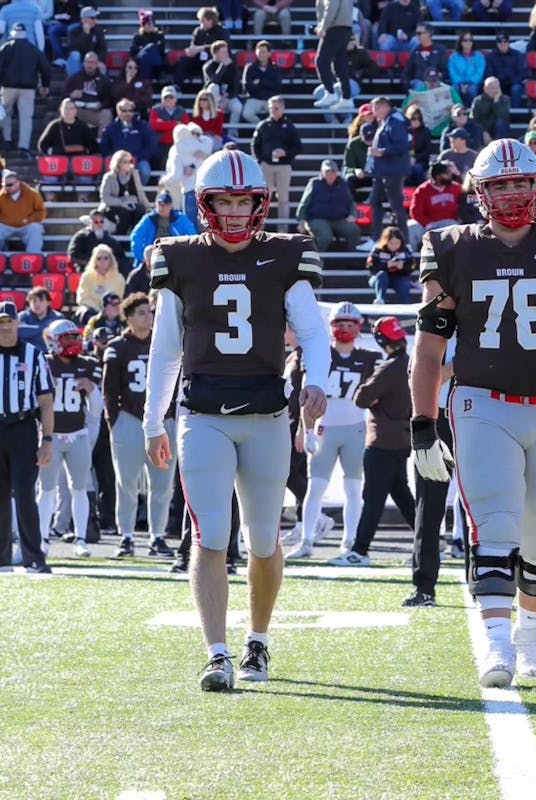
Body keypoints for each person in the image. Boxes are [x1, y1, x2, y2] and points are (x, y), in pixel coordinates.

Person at [409, 137, 536, 688]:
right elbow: (428, 349)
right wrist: (422, 426)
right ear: (480, 192)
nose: (512, 193)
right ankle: (497, 646)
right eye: (499, 185)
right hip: (481, 403)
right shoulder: (452, 247)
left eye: (521, 182)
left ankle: (530, 632)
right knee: (495, 522)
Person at [143, 148, 330, 692]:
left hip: (268, 413)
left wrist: (314, 380)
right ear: (203, 205)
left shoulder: (285, 256)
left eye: (242, 200)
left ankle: (258, 641)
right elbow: (166, 351)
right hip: (202, 415)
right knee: (210, 535)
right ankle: (216, 652)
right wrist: (155, 420)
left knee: (265, 539)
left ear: (260, 203)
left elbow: (314, 334)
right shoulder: (181, 258)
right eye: (221, 200)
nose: (232, 211)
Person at [286, 302, 379, 559]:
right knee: (315, 488)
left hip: (355, 429)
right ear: (332, 327)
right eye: (341, 324)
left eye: (350, 325)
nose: (345, 329)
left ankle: (349, 541)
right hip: (325, 427)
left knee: (353, 489)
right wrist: (306, 430)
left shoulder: (368, 357)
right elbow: (307, 394)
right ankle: (306, 540)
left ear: (359, 328)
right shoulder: (322, 354)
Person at [330, 316, 415, 567]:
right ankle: (428, 544)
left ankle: (359, 550)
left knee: (373, 498)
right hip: (402, 439)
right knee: (403, 497)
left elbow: (361, 398)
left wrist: (371, 394)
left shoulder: (389, 368)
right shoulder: (409, 364)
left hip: (382, 442)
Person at [103, 292, 175, 558]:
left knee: (162, 483)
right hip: (130, 420)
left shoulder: (165, 343)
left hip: (164, 420)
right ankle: (127, 536)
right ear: (129, 318)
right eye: (142, 312)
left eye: (150, 311)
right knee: (127, 483)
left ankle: (157, 536)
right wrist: (115, 421)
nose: (149, 316)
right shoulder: (117, 346)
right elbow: (109, 390)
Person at [36, 318, 102, 558]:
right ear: (54, 342)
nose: (73, 342)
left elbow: (96, 409)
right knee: (46, 489)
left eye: (76, 337)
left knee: (79, 488)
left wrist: (92, 388)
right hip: (50, 437)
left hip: (78, 435)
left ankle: (81, 539)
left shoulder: (87, 364)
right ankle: (42, 538)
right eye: (68, 338)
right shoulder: (44, 365)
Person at [0, 300, 54, 573]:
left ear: (17, 324)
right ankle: (2, 558)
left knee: (24, 494)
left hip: (22, 429)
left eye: (9, 322)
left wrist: (47, 440)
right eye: (1, 323)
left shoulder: (33, 355)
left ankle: (34, 556)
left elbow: (45, 401)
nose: (5, 328)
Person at [0, 23, 51, 157]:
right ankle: (24, 147)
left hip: (8, 87)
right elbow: (45, 69)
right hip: (28, 89)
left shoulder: (5, 48)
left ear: (12, 33)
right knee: (26, 118)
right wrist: (45, 85)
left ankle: (7, 140)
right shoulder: (33, 49)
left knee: (6, 114)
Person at [251, 96, 301, 230]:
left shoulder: (289, 126)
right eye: (271, 108)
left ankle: (283, 230)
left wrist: (286, 153)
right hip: (266, 166)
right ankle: (259, 227)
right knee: (264, 198)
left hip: (284, 166)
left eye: (276, 107)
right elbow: (255, 145)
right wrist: (260, 161)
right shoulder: (263, 125)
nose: (273, 110)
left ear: (283, 108)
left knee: (283, 199)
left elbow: (298, 147)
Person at [367, 96, 411, 243]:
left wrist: (382, 151)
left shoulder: (395, 122)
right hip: (383, 171)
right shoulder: (386, 121)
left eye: (376, 109)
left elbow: (402, 145)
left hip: (393, 171)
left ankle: (405, 241)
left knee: (396, 206)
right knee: (375, 202)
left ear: (384, 107)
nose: (374, 113)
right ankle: (375, 238)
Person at [297, 159, 363, 252]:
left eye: (333, 171)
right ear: (322, 172)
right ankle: (316, 259)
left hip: (338, 219)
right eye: (327, 171)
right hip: (317, 219)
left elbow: (351, 203)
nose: (330, 174)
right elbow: (304, 203)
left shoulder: (343, 184)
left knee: (354, 230)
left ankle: (352, 260)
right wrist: (301, 220)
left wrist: (353, 215)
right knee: (325, 235)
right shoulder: (314, 183)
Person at [162, 122, 212, 225]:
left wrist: (162, 181)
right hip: (188, 189)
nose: (196, 136)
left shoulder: (204, 151)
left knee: (194, 224)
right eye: (193, 133)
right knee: (192, 223)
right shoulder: (178, 151)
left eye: (198, 134)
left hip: (196, 189)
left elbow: (176, 175)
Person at [130, 191, 198, 267]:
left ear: (171, 205)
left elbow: (193, 238)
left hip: (175, 258)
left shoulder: (181, 219)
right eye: (159, 204)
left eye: (165, 204)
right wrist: (143, 258)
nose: (162, 206)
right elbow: (135, 237)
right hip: (153, 258)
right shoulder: (148, 219)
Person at [407, 160, 462, 250]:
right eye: (446, 174)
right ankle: (411, 257)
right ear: (437, 177)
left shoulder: (456, 187)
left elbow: (466, 202)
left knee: (458, 229)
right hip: (429, 224)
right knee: (411, 227)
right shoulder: (422, 190)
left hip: (450, 223)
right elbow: (415, 212)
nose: (450, 176)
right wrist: (427, 223)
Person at [99, 99, 157, 184]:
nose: (127, 113)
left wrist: (137, 157)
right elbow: (104, 146)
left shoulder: (143, 126)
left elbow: (151, 145)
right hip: (117, 161)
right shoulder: (110, 128)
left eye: (130, 110)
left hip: (138, 159)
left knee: (145, 172)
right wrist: (115, 158)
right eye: (124, 110)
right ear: (118, 111)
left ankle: (138, 191)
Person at [313, 0, 357, 113]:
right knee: (339, 64)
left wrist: (323, 26)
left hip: (334, 28)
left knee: (321, 61)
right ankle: (346, 97)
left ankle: (330, 92)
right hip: (345, 28)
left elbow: (332, 7)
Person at [175, 7, 229, 89]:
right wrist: (191, 51)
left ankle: (208, 87)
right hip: (198, 59)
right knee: (183, 61)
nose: (201, 23)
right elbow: (194, 45)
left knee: (209, 62)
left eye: (203, 21)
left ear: (210, 20)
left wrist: (202, 48)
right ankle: (177, 85)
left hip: (214, 61)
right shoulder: (198, 31)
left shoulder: (222, 31)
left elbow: (221, 46)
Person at [99, 150, 148, 236]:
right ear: (118, 163)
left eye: (130, 161)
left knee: (140, 212)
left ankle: (134, 236)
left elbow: (140, 192)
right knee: (124, 216)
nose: (129, 164)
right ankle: (120, 240)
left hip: (131, 203)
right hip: (114, 205)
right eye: (125, 162)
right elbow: (105, 197)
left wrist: (147, 206)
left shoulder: (134, 174)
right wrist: (121, 203)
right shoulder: (109, 177)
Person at [64, 50, 113, 132]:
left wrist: (101, 105)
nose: (90, 65)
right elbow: (63, 97)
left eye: (93, 62)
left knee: (107, 114)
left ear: (97, 64)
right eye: (88, 62)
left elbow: (109, 100)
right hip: (77, 110)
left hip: (95, 111)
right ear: (83, 63)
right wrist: (71, 95)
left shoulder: (104, 80)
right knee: (65, 110)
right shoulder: (74, 78)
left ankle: (101, 142)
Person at [366, 225, 414, 304]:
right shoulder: (378, 250)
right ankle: (380, 299)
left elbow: (412, 266)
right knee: (382, 275)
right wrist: (386, 266)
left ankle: (406, 303)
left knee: (404, 283)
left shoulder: (405, 251)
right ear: (385, 241)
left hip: (397, 278)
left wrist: (403, 267)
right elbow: (370, 267)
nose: (394, 245)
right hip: (378, 279)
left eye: (397, 243)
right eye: (391, 243)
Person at [0, 170, 45, 253]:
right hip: (6, 226)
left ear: (18, 183)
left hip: (26, 225)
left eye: (10, 185)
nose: (7, 187)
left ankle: (33, 257)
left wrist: (29, 219)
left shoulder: (33, 194)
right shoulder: (1, 196)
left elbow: (41, 212)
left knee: (36, 228)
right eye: (4, 185)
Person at [240, 40, 283, 123]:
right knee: (246, 113)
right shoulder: (250, 67)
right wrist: (267, 84)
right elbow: (246, 86)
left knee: (278, 113)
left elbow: (277, 87)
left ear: (269, 53)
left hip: (270, 99)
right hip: (254, 98)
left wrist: (260, 82)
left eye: (264, 52)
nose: (261, 54)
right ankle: (262, 126)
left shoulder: (276, 69)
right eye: (259, 52)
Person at [483, 34, 524, 112]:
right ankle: (494, 112)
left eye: (505, 41)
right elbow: (489, 73)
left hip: (512, 83)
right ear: (497, 44)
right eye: (500, 42)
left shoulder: (517, 55)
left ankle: (515, 113)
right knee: (491, 87)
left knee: (516, 89)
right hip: (497, 84)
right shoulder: (491, 56)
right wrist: (496, 84)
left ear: (509, 43)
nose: (503, 44)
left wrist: (512, 81)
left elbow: (521, 73)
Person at [17, 286, 63, 351]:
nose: (37, 304)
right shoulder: (22, 316)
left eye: (41, 300)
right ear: (29, 303)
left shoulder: (58, 317)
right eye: (34, 301)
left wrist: (30, 331)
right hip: (28, 355)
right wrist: (45, 329)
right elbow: (19, 332)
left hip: (50, 355)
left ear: (48, 302)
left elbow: (58, 337)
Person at [65, 6, 105, 77]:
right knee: (75, 55)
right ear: (84, 20)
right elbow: (74, 48)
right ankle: (74, 82)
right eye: (92, 18)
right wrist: (85, 34)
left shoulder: (98, 31)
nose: (95, 20)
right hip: (79, 61)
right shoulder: (73, 31)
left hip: (93, 61)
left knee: (102, 67)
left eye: (96, 18)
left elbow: (103, 50)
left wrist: (98, 60)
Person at [449, 31, 486, 109]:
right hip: (458, 84)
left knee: (472, 90)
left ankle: (471, 113)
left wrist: (470, 83)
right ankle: (457, 111)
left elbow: (479, 72)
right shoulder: (453, 57)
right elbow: (453, 72)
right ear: (460, 42)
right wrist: (461, 83)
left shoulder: (479, 56)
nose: (468, 42)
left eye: (470, 40)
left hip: (474, 83)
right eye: (465, 40)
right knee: (453, 89)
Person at [129, 10, 166, 81]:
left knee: (151, 49)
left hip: (156, 64)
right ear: (143, 25)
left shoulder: (159, 35)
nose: (151, 25)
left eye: (152, 23)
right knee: (149, 49)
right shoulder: (137, 37)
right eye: (148, 24)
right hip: (142, 64)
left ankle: (147, 79)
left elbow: (162, 50)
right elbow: (133, 52)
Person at [471, 77, 511, 143]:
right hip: (483, 129)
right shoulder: (478, 101)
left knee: (501, 123)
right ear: (485, 89)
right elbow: (474, 119)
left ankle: (501, 145)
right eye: (492, 88)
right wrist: (484, 131)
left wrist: (496, 101)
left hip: (498, 130)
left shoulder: (505, 99)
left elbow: (503, 116)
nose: (495, 90)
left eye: (497, 87)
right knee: (476, 129)